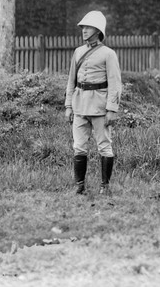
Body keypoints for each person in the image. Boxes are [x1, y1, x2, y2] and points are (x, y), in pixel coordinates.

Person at [65, 11, 122, 195]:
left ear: (98, 30)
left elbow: (115, 83)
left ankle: (105, 187)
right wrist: (68, 105)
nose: (83, 30)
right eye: (82, 27)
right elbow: (71, 81)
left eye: (87, 27)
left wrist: (112, 109)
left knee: (104, 146)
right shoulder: (78, 52)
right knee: (79, 146)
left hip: (100, 107)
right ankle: (79, 186)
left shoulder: (108, 54)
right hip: (80, 105)